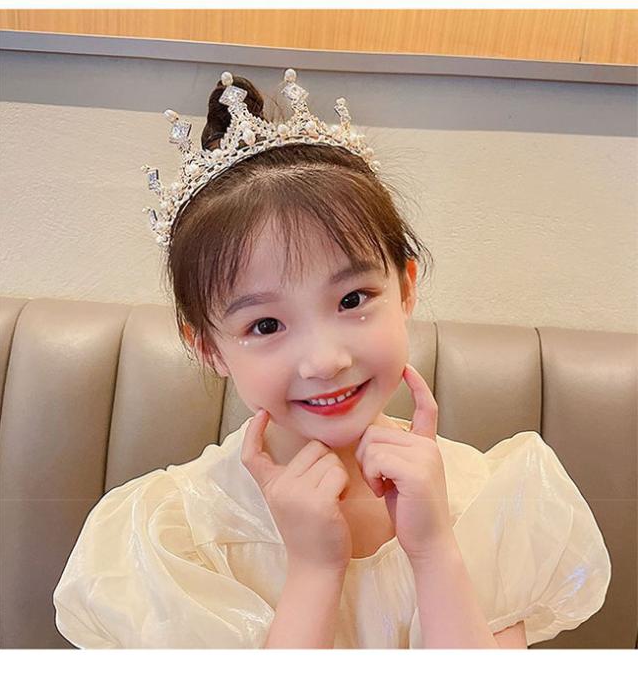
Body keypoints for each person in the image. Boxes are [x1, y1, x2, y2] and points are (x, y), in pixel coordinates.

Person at [52, 68, 611, 649]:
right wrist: (315, 572)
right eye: (265, 325)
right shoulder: (174, 534)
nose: (324, 360)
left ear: (406, 289)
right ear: (207, 346)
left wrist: (433, 549)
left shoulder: (486, 500)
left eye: (352, 300)